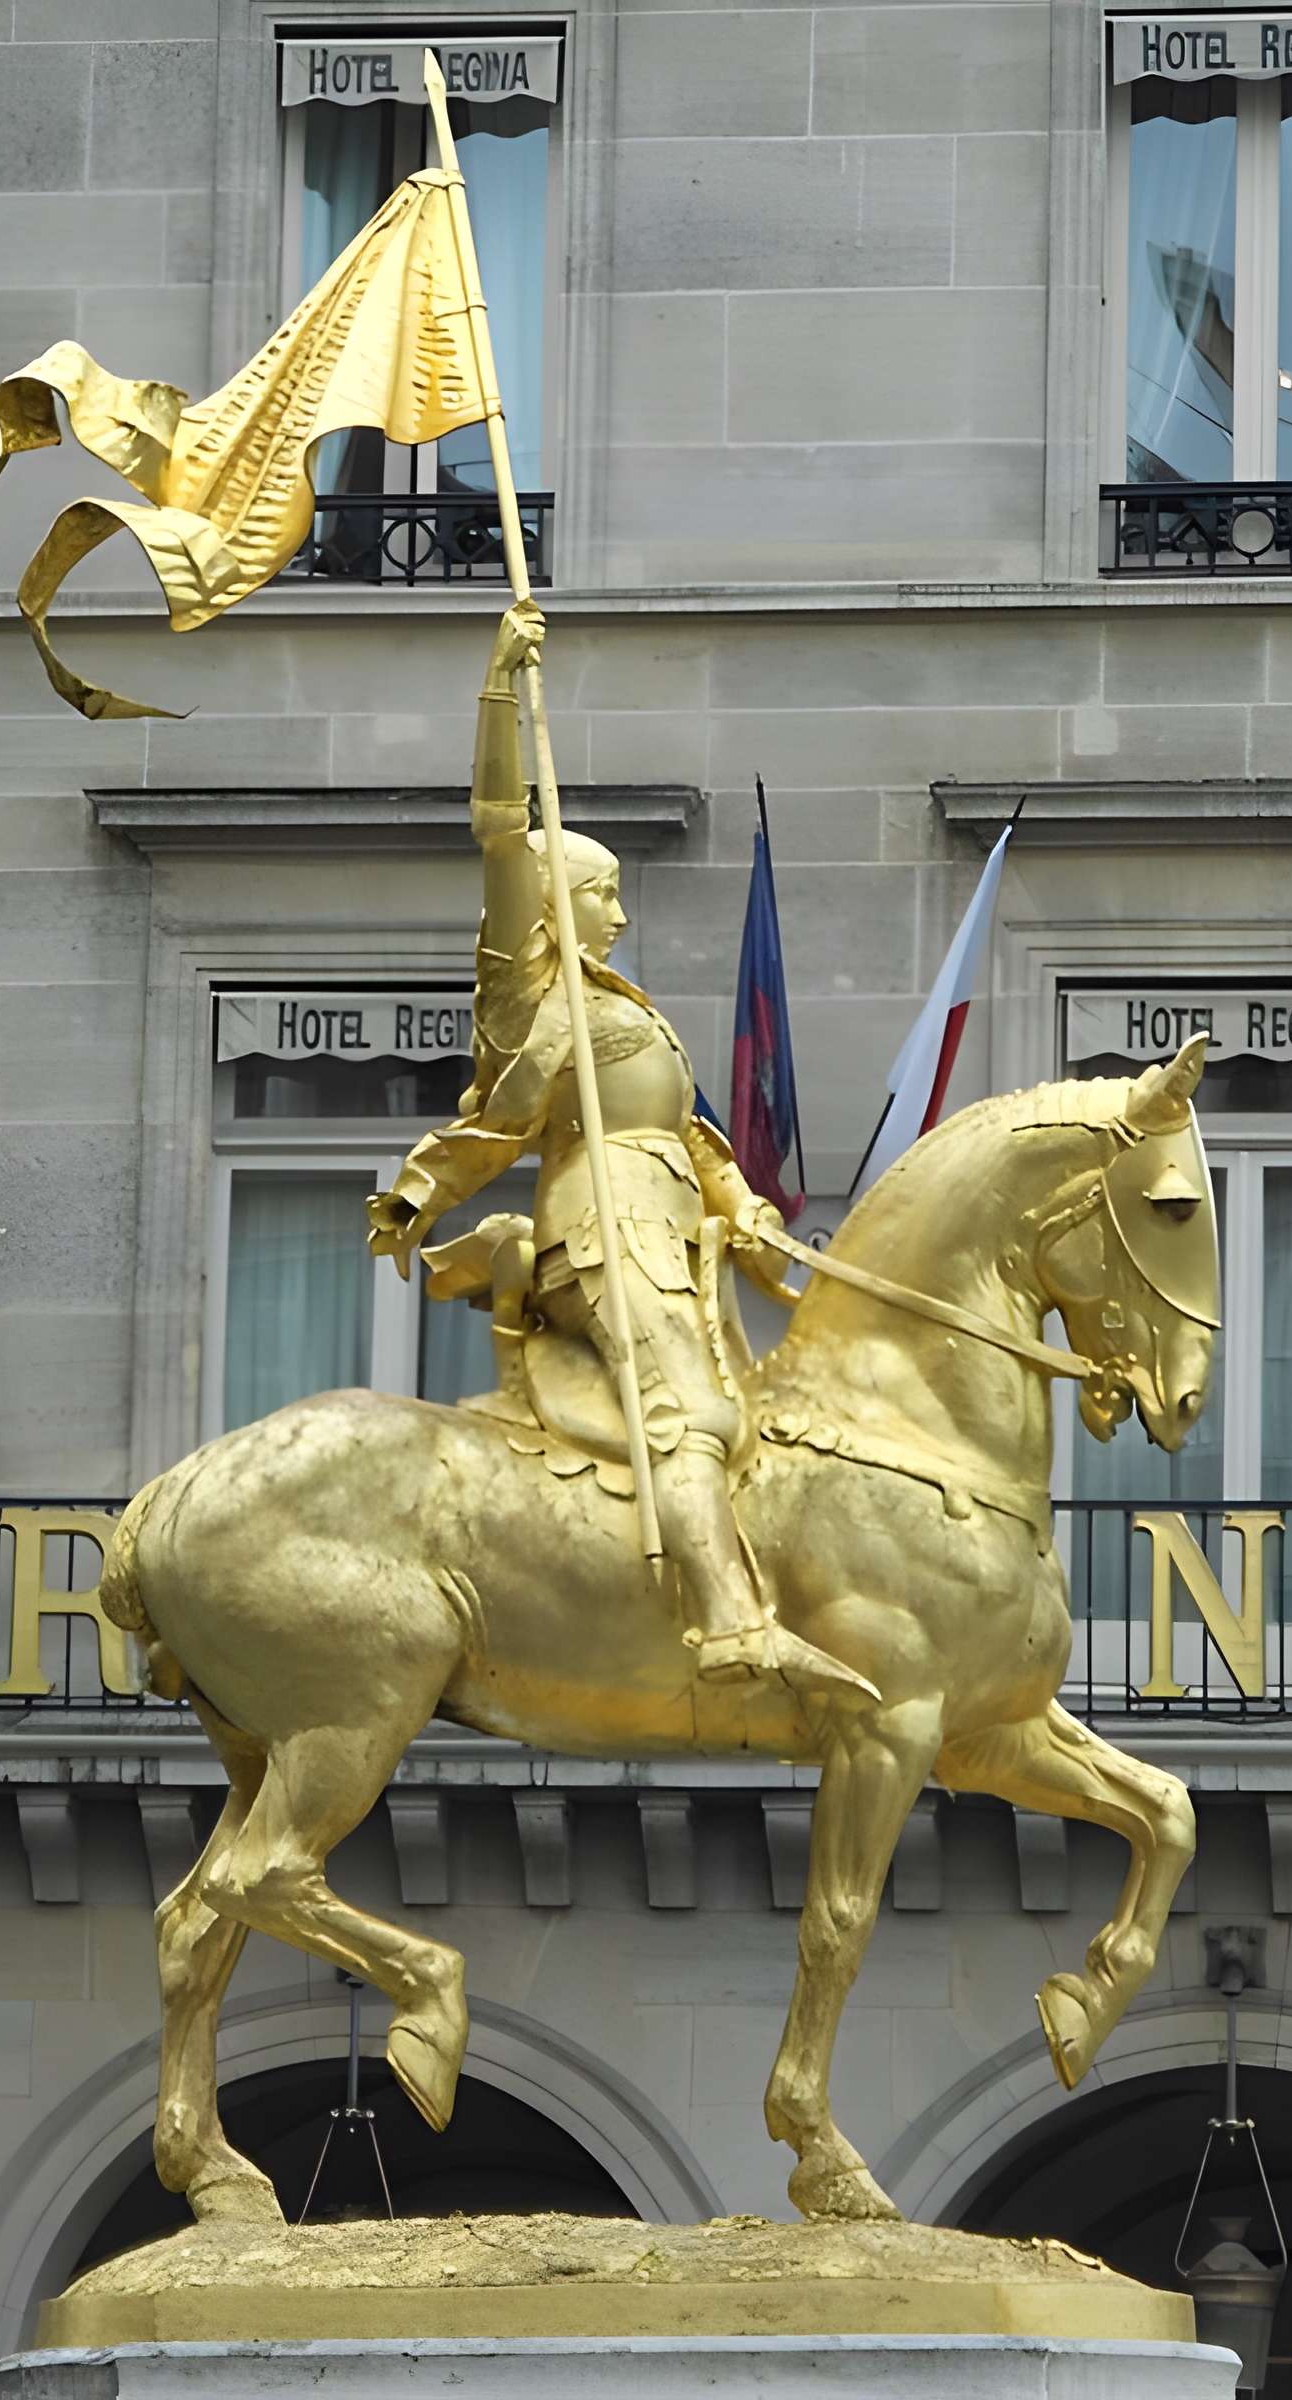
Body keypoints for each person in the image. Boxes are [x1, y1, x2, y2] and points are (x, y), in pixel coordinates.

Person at [368, 603, 874, 1704]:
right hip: (603, 1233)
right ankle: (731, 1624)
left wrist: (741, 1201)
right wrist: (501, 687)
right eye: (603, 895)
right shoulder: (528, 991)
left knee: (749, 1418)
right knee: (687, 1414)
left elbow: (687, 1131)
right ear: (557, 905)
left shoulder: (620, 1008)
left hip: (671, 1238)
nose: (621, 917)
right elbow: (500, 828)